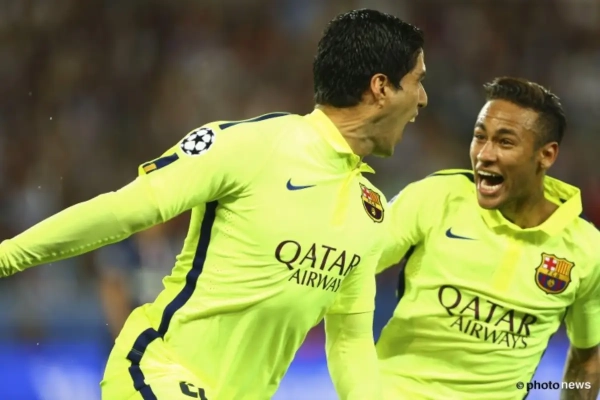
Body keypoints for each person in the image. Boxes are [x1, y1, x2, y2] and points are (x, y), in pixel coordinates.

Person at [0, 9, 428, 400]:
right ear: (381, 88)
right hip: (160, 371)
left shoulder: (371, 210)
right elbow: (124, 210)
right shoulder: (252, 145)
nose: (423, 99)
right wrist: (6, 257)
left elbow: (350, 340)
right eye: (417, 81)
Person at [376, 77, 600, 400]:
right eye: (479, 137)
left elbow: (587, 357)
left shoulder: (586, 250)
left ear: (546, 155)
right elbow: (352, 261)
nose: (484, 154)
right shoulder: (437, 197)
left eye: (505, 142)